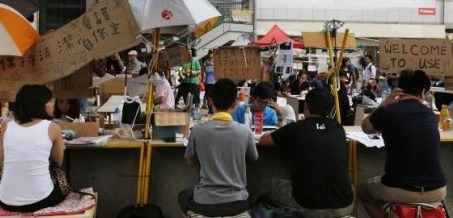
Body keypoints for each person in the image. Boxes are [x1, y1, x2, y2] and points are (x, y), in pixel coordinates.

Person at [359, 69, 446, 217]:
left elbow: (366, 127)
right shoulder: (430, 114)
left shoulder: (388, 111)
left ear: (399, 88)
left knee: (362, 190)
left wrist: (385, 103)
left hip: (400, 189)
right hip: (437, 190)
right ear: (423, 91)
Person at [258, 88, 354, 217]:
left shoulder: (295, 129)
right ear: (330, 109)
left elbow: (264, 141)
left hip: (308, 205)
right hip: (345, 205)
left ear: (306, 107)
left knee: (266, 184)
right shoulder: (338, 129)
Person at [178, 79, 258, 216]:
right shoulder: (244, 131)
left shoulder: (198, 130)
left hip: (205, 204)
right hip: (238, 203)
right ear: (234, 103)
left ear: (210, 101)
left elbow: (190, 162)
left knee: (182, 196)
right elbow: (254, 157)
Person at [0, 85, 65, 212]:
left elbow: (3, 164)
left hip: (5, 201)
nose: (52, 105)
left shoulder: (7, 126)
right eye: (49, 101)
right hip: (40, 201)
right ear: (39, 104)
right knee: (62, 187)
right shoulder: (53, 127)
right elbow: (57, 164)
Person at [201, 49, 215, 113]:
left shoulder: (216, 61)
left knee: (213, 96)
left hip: (214, 82)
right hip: (208, 81)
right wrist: (202, 79)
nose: (210, 55)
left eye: (211, 53)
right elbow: (202, 70)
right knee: (208, 96)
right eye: (209, 53)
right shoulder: (206, 61)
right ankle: (210, 108)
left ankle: (212, 108)